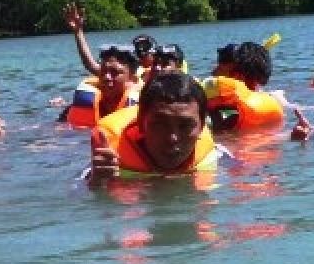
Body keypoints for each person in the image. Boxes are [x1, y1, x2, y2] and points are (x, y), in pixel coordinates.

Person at [88, 72, 222, 183]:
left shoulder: (219, 156)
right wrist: (97, 183)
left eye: (185, 125)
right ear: (140, 123)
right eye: (160, 124)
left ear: (202, 126)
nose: (172, 138)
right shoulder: (106, 164)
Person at [203, 41, 285, 132]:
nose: (213, 73)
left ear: (238, 76)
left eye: (220, 69)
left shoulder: (232, 113)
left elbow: (204, 123)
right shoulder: (273, 103)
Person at [61, 44, 141, 127]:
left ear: (132, 79)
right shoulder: (86, 100)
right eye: (103, 71)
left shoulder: (141, 106)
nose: (107, 77)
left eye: (115, 72)